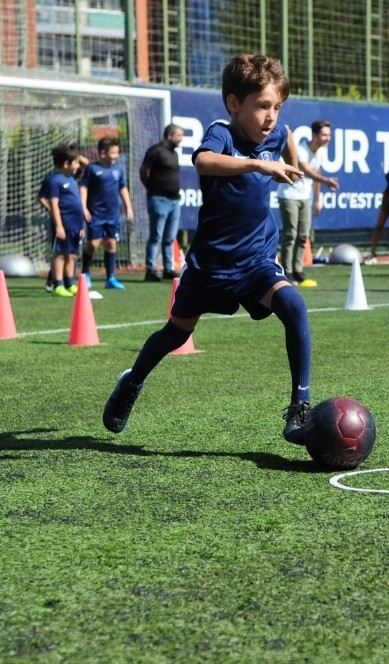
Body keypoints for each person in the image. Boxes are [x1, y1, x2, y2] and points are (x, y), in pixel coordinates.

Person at [103, 54, 312, 444]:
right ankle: (131, 383)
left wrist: (299, 167)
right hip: (211, 265)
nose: (271, 116)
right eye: (262, 106)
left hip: (255, 261)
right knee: (175, 335)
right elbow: (203, 161)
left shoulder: (277, 135)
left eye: (277, 106)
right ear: (235, 104)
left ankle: (300, 408)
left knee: (294, 306)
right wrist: (259, 166)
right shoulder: (222, 132)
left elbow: (287, 137)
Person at [277, 119, 339, 287]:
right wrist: (327, 180)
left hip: (306, 197)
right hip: (289, 195)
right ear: (314, 135)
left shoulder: (321, 152)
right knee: (291, 234)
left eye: (329, 135)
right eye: (324, 135)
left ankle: (298, 271)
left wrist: (319, 199)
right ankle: (286, 271)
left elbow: (316, 173)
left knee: (303, 235)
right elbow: (306, 170)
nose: (328, 138)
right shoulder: (301, 150)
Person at [80, 136, 133, 290]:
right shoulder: (92, 169)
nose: (117, 156)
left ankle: (110, 278)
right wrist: (84, 207)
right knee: (93, 244)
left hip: (113, 214)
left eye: (118, 152)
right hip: (96, 214)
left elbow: (122, 188)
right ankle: (85, 274)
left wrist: (128, 207)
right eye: (114, 152)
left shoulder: (118, 169)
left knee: (111, 244)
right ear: (102, 153)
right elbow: (84, 188)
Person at [141, 123, 185, 282]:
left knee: (170, 237)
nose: (181, 139)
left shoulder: (174, 154)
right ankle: (150, 269)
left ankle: (168, 268)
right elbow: (144, 172)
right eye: (179, 135)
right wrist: (153, 190)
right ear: (170, 135)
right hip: (159, 199)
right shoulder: (155, 151)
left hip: (174, 201)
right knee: (156, 236)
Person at [45, 144, 86, 297]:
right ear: (66, 164)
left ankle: (70, 283)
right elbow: (54, 204)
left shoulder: (72, 179)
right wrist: (59, 225)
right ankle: (58, 285)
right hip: (64, 224)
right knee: (60, 254)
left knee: (72, 255)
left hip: (76, 224)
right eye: (75, 162)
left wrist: (81, 226)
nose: (78, 165)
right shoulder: (55, 180)